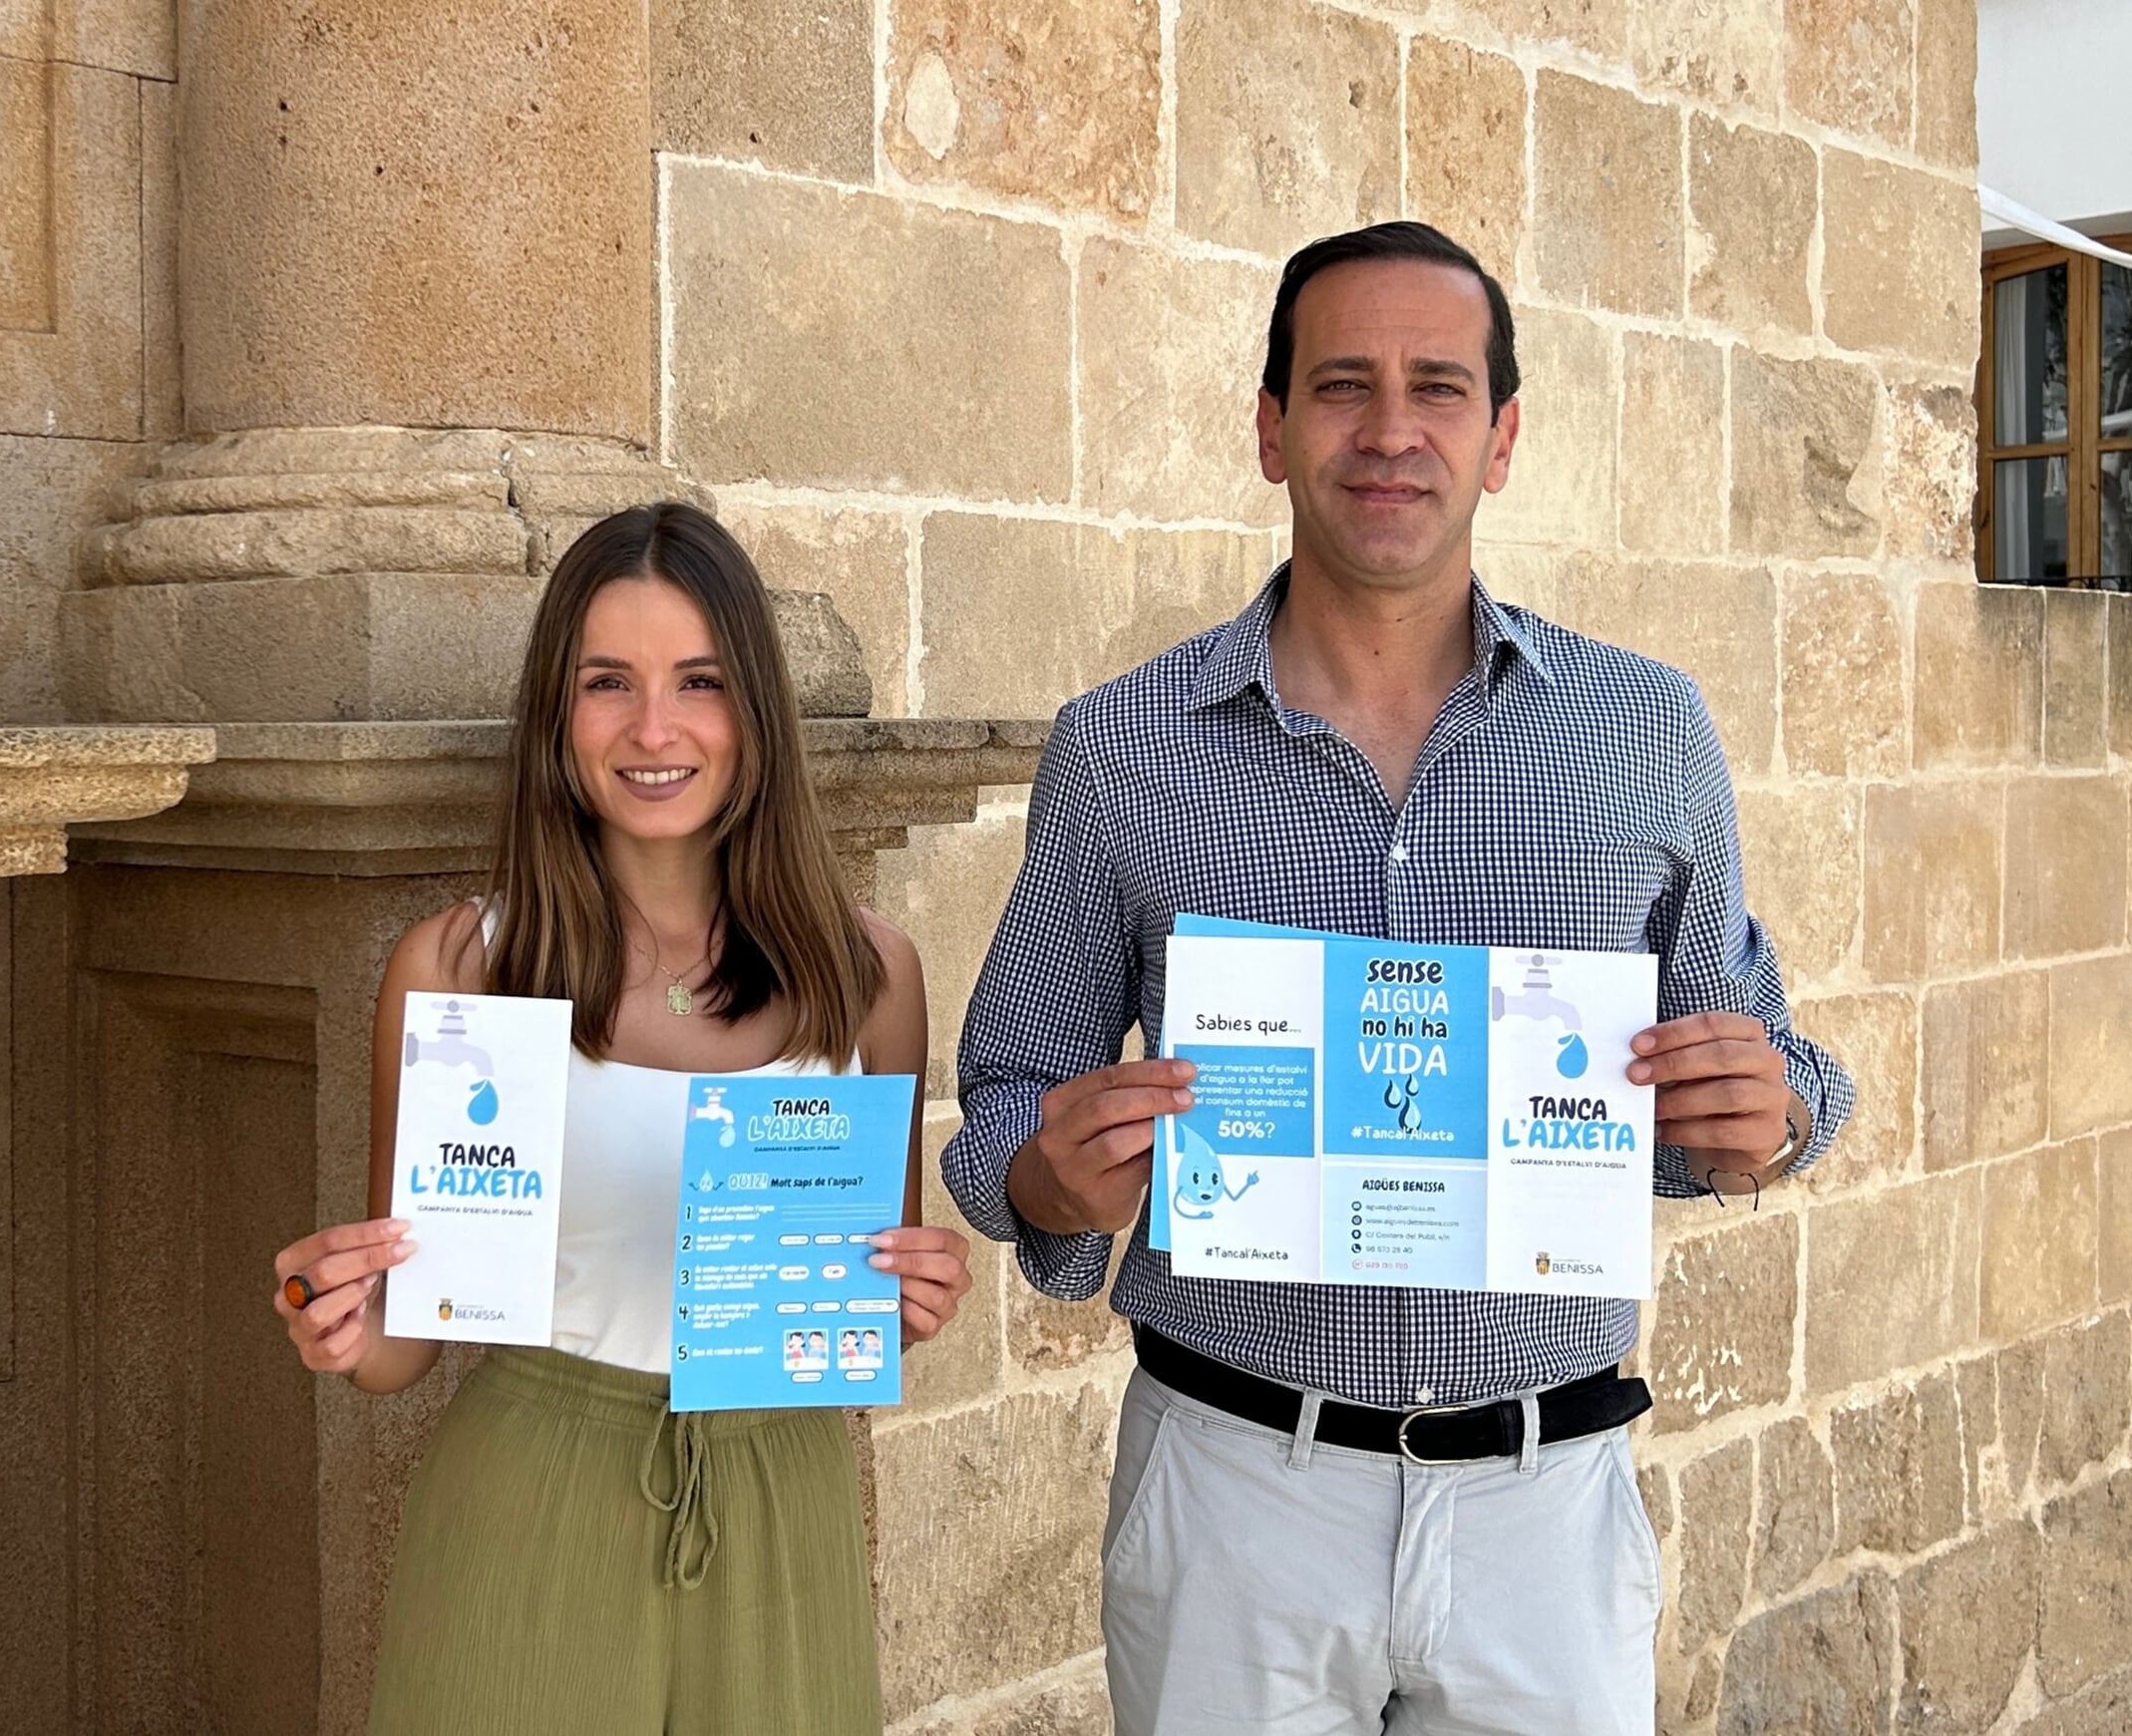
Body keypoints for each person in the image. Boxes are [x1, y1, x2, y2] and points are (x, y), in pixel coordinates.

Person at [942, 221, 1854, 1735]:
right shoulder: (1117, 748)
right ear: (1268, 427)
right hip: (1235, 1491)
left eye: (1436, 387)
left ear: (1498, 438)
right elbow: (996, 1117)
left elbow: (1754, 1065)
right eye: (1339, 384)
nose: (1386, 429)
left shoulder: (1645, 733)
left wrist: (1773, 1115)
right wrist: (1052, 1176)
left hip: (1541, 1508)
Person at [272, 502, 972, 1735]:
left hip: (780, 1503)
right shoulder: (460, 968)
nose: (655, 729)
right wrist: (336, 1320)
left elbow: (858, 1311)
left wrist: (912, 1298)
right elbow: (404, 1347)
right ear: (558, 712)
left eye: (699, 680)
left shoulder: (872, 976)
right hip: (534, 1493)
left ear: (754, 707)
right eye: (609, 682)